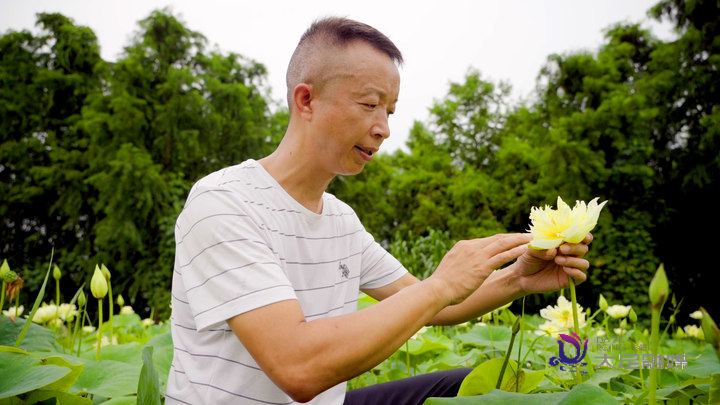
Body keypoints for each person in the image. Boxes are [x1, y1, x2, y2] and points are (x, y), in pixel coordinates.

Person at [165, 17, 592, 405]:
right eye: (370, 105)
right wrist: (441, 284)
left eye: (389, 111)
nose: (384, 129)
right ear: (307, 100)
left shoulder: (339, 220)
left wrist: (518, 277)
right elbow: (297, 368)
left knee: (473, 385)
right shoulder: (223, 202)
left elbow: (432, 306)